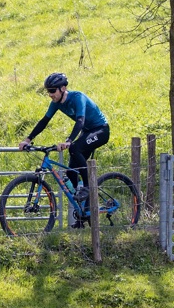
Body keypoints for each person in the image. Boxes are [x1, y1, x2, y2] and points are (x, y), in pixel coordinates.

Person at [19, 73, 109, 225]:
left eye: (53, 91)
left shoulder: (77, 97)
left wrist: (68, 141)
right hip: (87, 132)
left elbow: (80, 121)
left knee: (74, 148)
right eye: (48, 91)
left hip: (100, 130)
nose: (50, 94)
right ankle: (84, 213)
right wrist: (28, 139)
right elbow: (44, 121)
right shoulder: (56, 103)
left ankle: (88, 187)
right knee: (71, 172)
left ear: (63, 88)